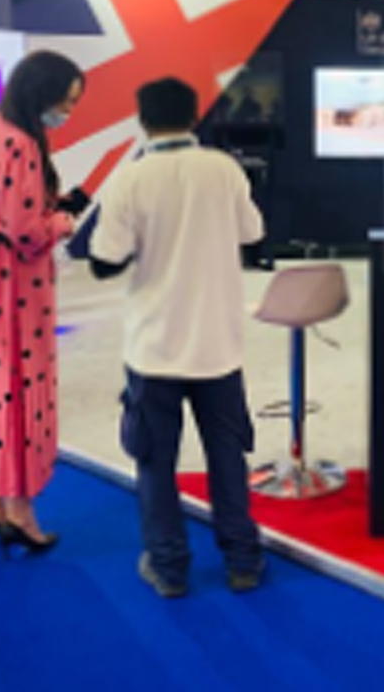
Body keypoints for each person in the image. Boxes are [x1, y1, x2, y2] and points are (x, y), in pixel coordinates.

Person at [88, 77, 265, 598]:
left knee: (154, 460)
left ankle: (169, 568)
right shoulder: (224, 169)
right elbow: (253, 235)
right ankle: (243, 561)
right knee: (227, 456)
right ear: (194, 116)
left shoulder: (131, 178)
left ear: (143, 120)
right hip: (218, 346)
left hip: (154, 348)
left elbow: (103, 262)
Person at [0, 49, 86, 552]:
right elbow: (27, 232)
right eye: (65, 101)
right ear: (41, 93)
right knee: (20, 388)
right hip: (14, 282)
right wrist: (64, 220)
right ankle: (20, 512)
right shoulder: (23, 143)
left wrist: (48, 205)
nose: (66, 112)